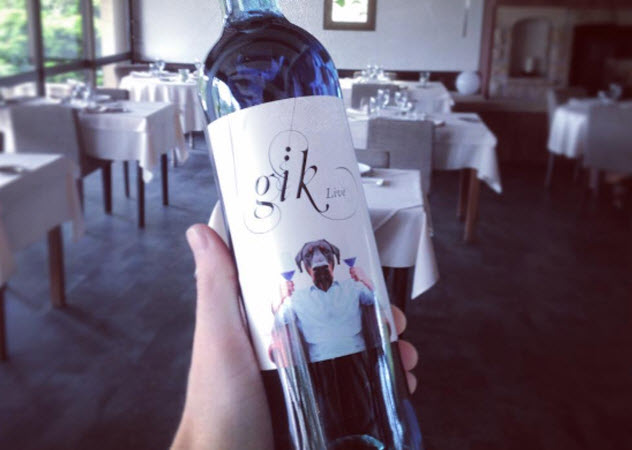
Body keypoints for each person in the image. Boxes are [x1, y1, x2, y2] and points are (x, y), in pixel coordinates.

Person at [172, 224, 419, 450]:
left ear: (333, 262)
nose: (320, 264)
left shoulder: (353, 289)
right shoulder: (297, 300)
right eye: (312, 261)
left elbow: (379, 308)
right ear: (306, 268)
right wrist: (278, 301)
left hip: (366, 373)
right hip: (314, 381)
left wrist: (366, 281)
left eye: (325, 258)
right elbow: (275, 325)